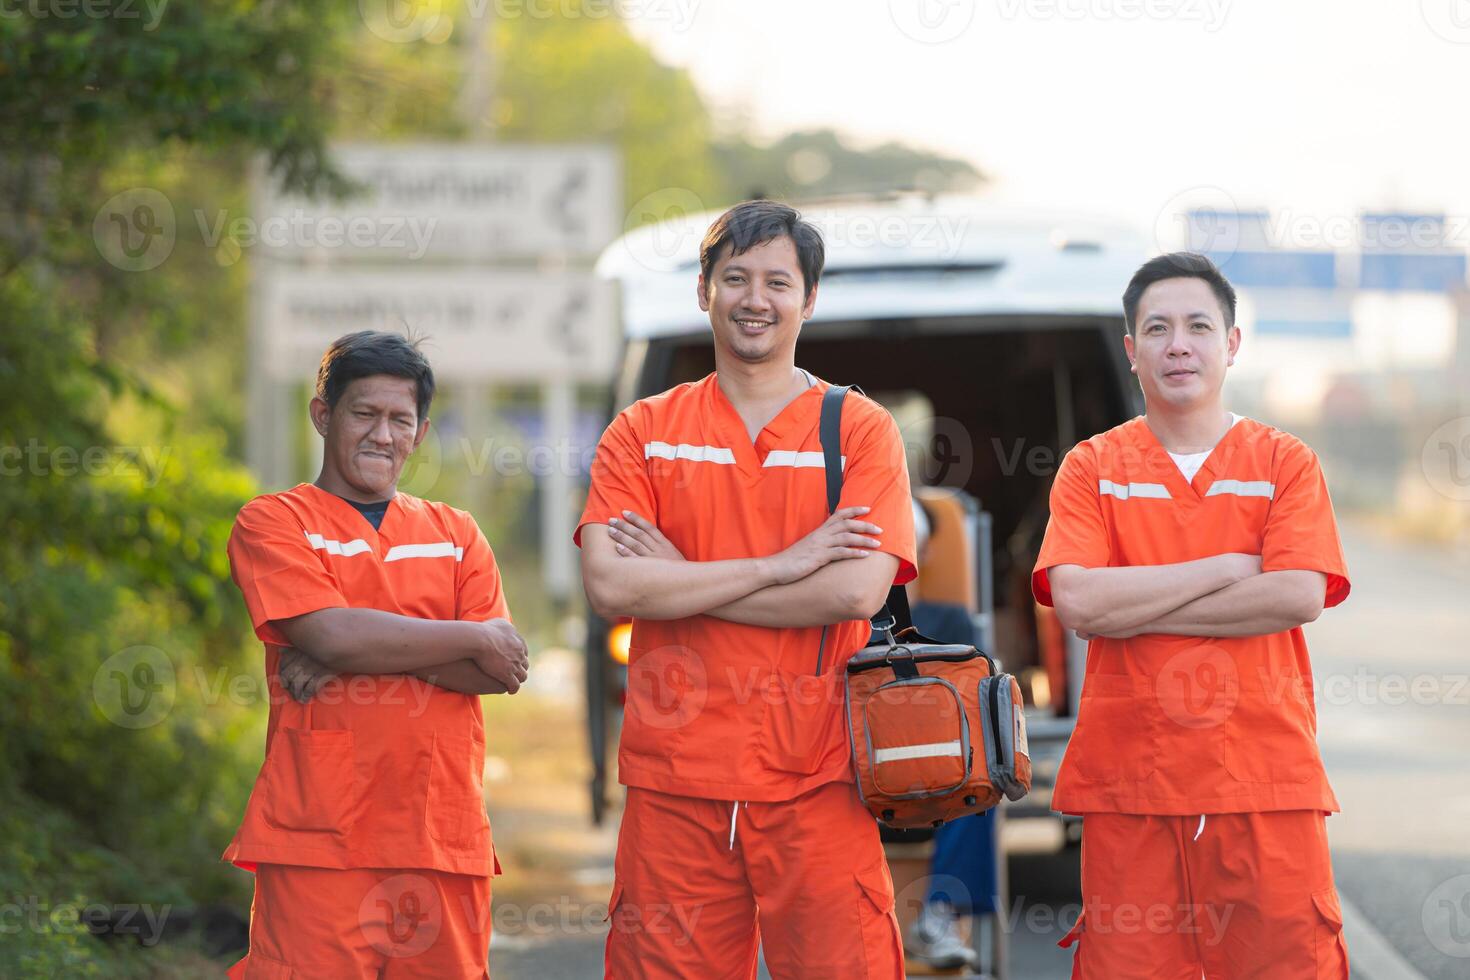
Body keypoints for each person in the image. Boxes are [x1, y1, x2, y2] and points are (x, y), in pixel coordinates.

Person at [576, 200, 917, 979]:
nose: (754, 298)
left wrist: (678, 578)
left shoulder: (858, 430)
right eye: (734, 278)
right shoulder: (644, 431)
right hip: (676, 781)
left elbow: (857, 592)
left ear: (809, 299)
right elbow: (608, 583)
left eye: (776, 281)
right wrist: (784, 563)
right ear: (703, 291)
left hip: (819, 775)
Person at [1033, 253, 1352, 977]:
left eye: (1198, 326)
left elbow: (1298, 594)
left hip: (1262, 783)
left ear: (1231, 343)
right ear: (1132, 350)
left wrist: (1135, 603)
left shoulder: (1284, 463)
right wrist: (1226, 568)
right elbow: (1080, 602)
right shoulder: (1093, 467)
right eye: (1158, 328)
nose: (1179, 343)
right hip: (1131, 787)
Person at [221, 330, 530, 979]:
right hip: (318, 842)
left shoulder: (456, 534)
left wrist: (353, 648)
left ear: (419, 433)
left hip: (442, 841)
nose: (382, 435)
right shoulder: (275, 522)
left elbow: (503, 670)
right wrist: (466, 635)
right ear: (323, 415)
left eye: (400, 419)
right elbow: (333, 637)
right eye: (364, 413)